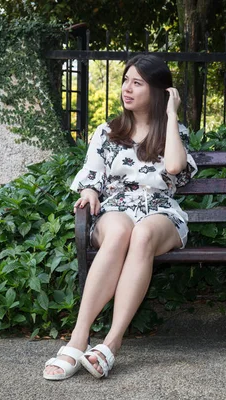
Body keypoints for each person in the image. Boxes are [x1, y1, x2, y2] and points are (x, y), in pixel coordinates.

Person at [43, 54, 197, 380]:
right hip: (116, 208)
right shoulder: (108, 131)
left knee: (141, 234)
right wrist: (89, 192)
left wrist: (170, 114)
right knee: (120, 233)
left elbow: (173, 168)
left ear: (158, 90)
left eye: (137, 83)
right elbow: (91, 177)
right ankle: (78, 339)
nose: (127, 89)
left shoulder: (174, 130)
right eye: (126, 80)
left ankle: (112, 343)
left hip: (160, 211)